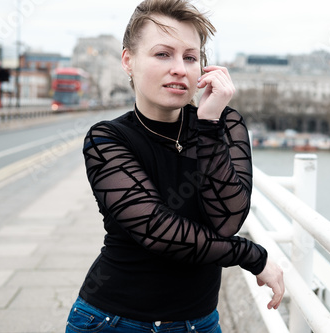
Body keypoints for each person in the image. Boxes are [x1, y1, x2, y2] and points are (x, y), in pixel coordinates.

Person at [65, 0, 284, 332]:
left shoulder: (225, 125)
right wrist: (252, 255)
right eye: (162, 54)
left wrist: (208, 126)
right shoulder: (107, 139)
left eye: (191, 57)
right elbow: (160, 231)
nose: (180, 68)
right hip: (113, 321)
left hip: (200, 323)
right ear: (128, 60)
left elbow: (227, 221)